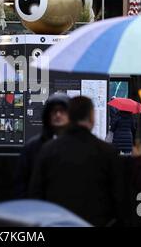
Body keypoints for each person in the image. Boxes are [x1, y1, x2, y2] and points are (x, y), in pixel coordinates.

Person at [29, 96, 124, 226]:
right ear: (92, 117)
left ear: (69, 117)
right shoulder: (107, 152)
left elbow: (36, 194)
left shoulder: (48, 150)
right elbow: (120, 199)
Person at [14, 93, 71, 198]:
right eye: (54, 111)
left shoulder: (77, 145)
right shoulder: (33, 146)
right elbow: (22, 182)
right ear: (47, 115)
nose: (58, 115)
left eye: (62, 111)